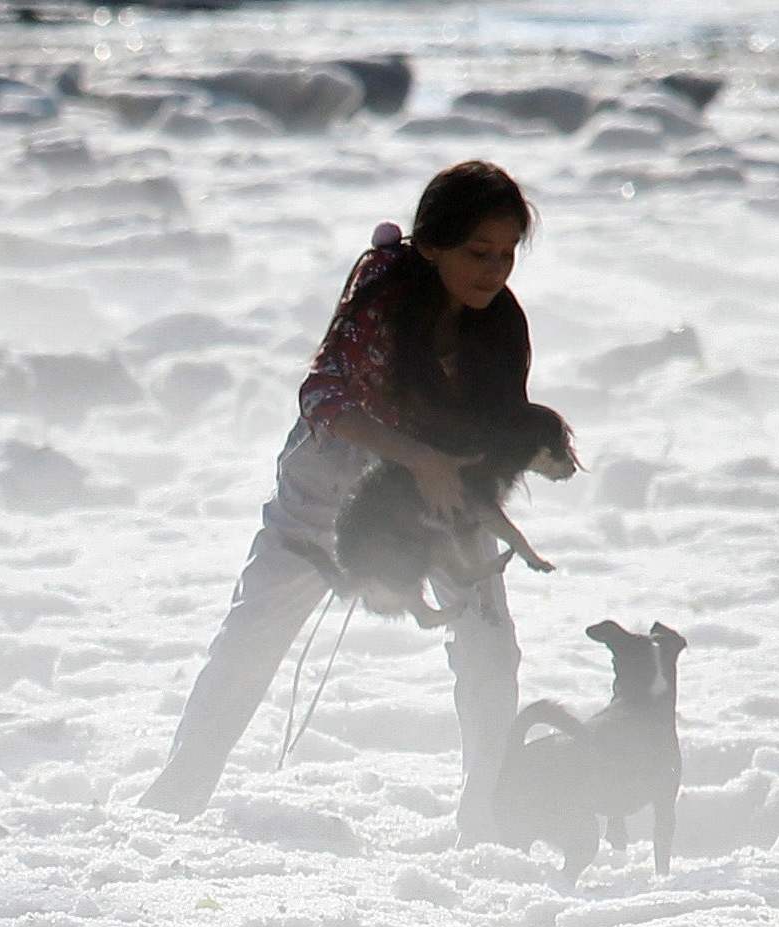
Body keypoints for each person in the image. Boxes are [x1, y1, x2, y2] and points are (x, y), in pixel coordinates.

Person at [140, 161, 569, 833]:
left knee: (489, 642)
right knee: (257, 628)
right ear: (431, 246)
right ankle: (176, 797)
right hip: (334, 471)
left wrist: (528, 455)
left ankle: (484, 818)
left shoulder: (502, 327)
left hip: (437, 490)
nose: (494, 270)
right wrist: (417, 456)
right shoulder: (383, 296)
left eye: (508, 254)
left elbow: (496, 436)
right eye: (477, 252)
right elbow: (323, 393)